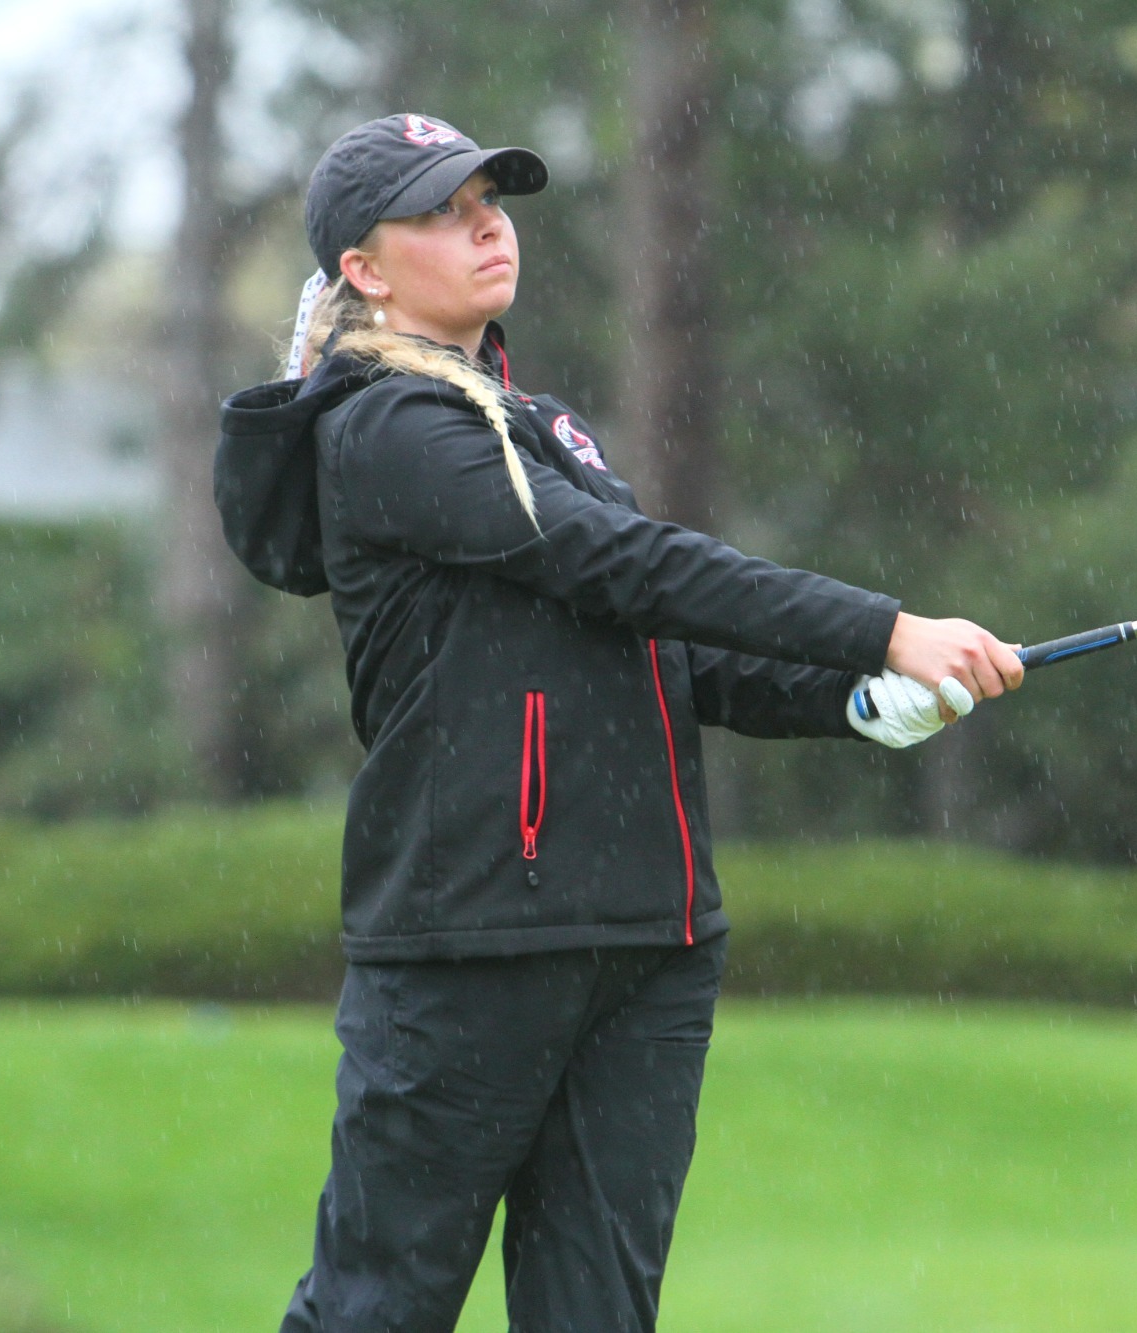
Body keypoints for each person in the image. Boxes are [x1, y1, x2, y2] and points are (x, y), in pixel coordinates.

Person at [216, 112, 1023, 1333]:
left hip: (648, 938)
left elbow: (663, 650)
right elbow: (627, 564)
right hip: (469, 940)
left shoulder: (533, 425)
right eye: (439, 209)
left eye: (489, 196)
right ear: (362, 273)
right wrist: (879, 626)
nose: (485, 222)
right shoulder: (384, 428)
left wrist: (855, 700)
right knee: (375, 1310)